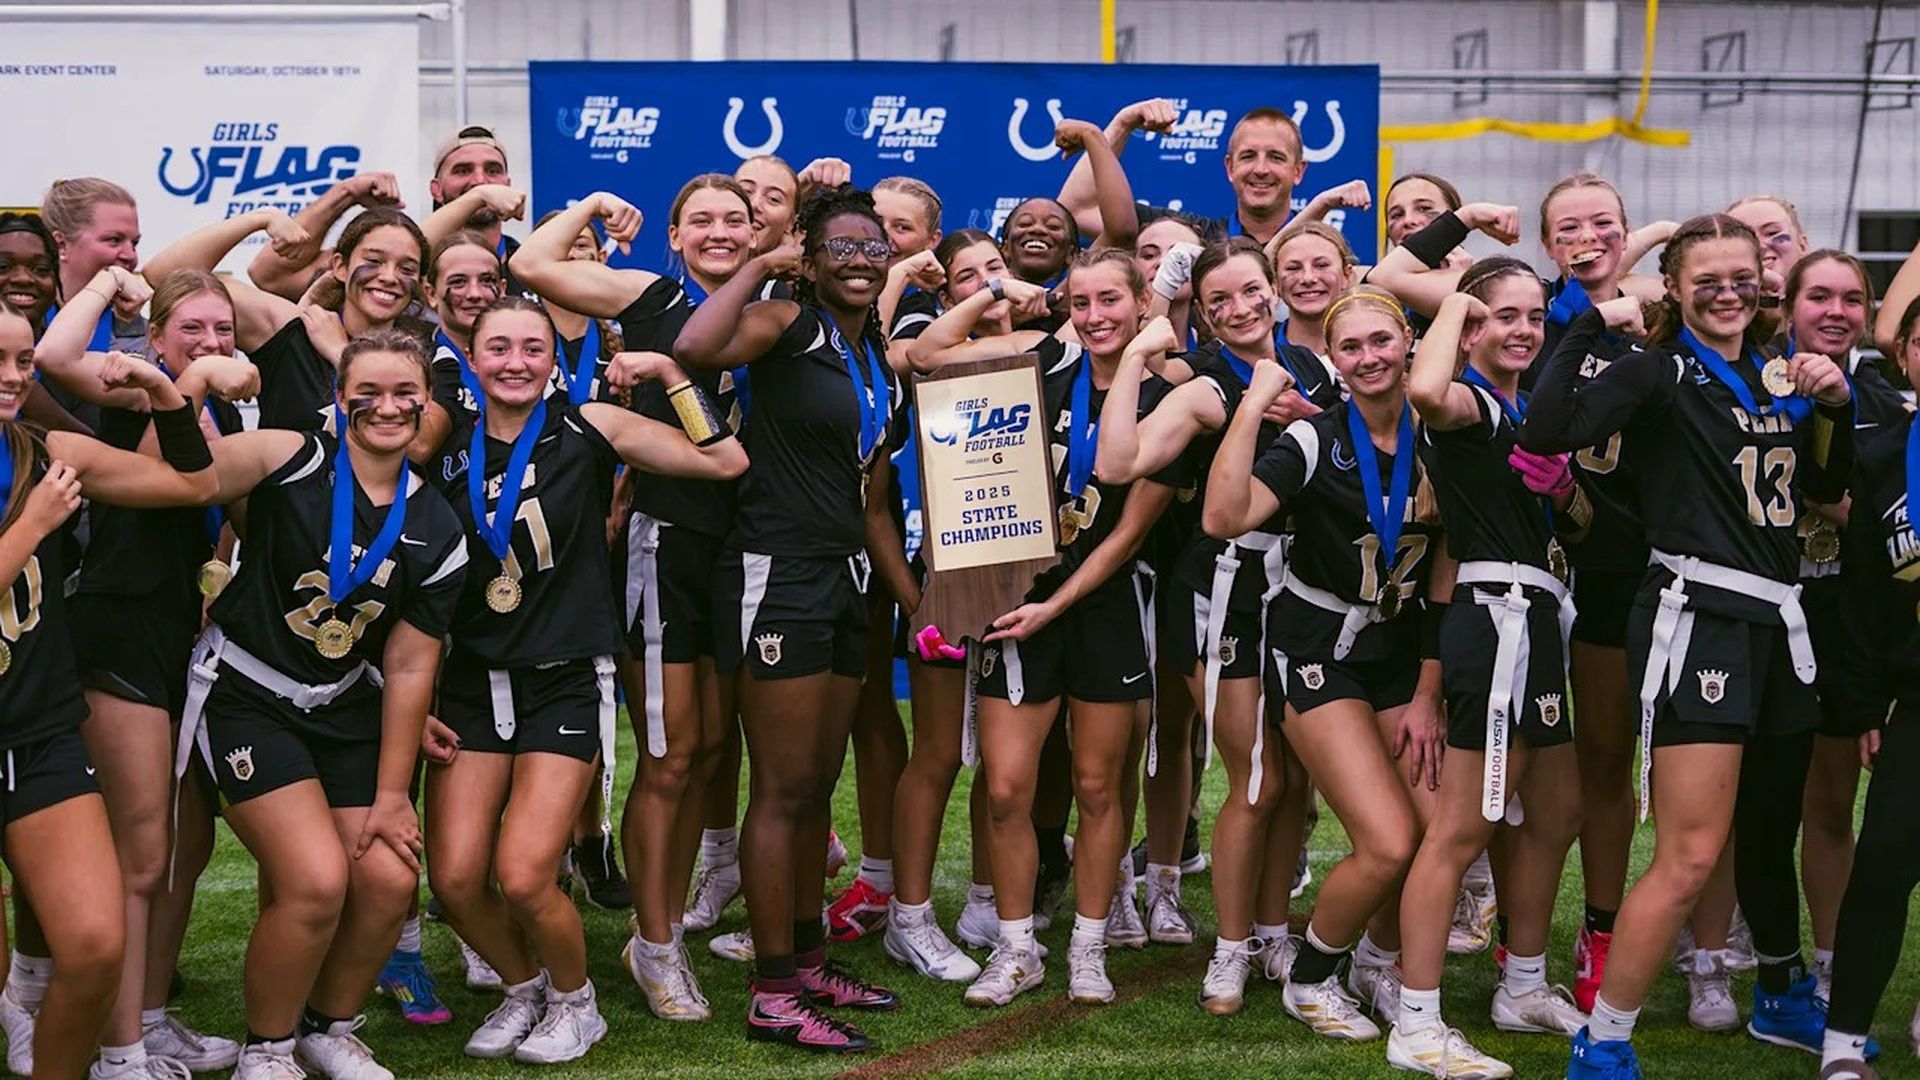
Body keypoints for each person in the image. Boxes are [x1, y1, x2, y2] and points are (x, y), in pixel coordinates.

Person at [1517, 214, 1855, 1078]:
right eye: (1707, 277)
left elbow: (1822, 488)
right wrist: (1587, 316)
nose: (1728, 290)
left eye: (1742, 274)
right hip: (1699, 615)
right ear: (1674, 286)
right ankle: (1604, 1041)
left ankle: (1779, 998)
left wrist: (1834, 406)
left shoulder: (1779, 372)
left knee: (1768, 827)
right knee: (1691, 852)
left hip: (1782, 624)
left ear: (1764, 280)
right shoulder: (1659, 370)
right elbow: (1546, 431)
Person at [424, 298, 745, 1064]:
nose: (514, 361)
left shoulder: (590, 423)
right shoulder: (447, 440)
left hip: (563, 676)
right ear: (470, 359)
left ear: (553, 359)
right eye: (497, 347)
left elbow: (725, 460)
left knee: (527, 873)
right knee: (458, 881)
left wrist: (670, 372)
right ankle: (523, 986)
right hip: (470, 680)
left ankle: (577, 1002)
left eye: (531, 348)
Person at [177, 330, 467, 1080]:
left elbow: (408, 667)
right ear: (339, 400)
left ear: (427, 405)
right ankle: (266, 1050)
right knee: (313, 881)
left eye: (407, 392)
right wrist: (192, 383)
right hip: (248, 691)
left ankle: (325, 1027)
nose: (388, 406)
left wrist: (393, 797)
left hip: (342, 706)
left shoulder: (437, 525)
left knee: (389, 878)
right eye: (367, 390)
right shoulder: (290, 458)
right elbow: (187, 476)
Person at [510, 176, 755, 1020]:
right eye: (703, 221)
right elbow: (533, 261)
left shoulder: (781, 306)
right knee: (673, 754)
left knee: (712, 751)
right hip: (674, 541)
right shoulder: (653, 294)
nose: (720, 232)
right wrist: (596, 202)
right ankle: (656, 946)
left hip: (750, 548)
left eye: (738, 218)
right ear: (677, 236)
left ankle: (665, 924)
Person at [911, 248, 1178, 1009]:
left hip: (1104, 603)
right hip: (1012, 595)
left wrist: (1054, 606)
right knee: (1005, 789)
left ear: (1140, 306)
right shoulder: (1037, 357)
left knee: (1097, 785)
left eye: (1111, 303)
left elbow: (1130, 531)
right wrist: (996, 289)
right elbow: (929, 355)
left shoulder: (1170, 391)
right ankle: (1017, 945)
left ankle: (1089, 946)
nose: (1096, 318)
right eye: (1082, 302)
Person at [675, 186, 904, 1052]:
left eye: (871, 247)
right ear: (810, 259)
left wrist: (923, 609)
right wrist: (764, 263)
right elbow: (697, 346)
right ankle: (774, 992)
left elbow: (875, 500)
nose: (858, 259)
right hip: (778, 574)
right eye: (839, 247)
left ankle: (806, 960)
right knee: (781, 787)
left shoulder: (871, 350)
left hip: (845, 581)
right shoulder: (782, 321)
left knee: (814, 787)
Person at [1094, 238, 1342, 1014]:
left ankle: (1273, 933)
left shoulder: (1315, 367)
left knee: (1295, 782)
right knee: (1256, 777)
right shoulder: (1202, 382)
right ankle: (1229, 952)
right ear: (1201, 313)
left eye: (1248, 292)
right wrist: (1137, 355)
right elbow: (1118, 464)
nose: (1238, 309)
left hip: (1302, 590)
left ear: (1273, 291)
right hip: (1223, 590)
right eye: (1219, 301)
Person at [1202, 285, 1443, 1042]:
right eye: (1352, 347)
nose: (1369, 357)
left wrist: (1432, 688)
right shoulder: (1314, 441)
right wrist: (1253, 404)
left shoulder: (1439, 431)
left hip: (1401, 652)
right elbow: (1223, 517)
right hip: (1317, 654)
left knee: (1443, 836)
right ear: (1333, 360)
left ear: (1408, 342)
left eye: (1381, 341)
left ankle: (1375, 957)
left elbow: (1449, 569)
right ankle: (1311, 979)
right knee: (1389, 841)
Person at [35, 267, 258, 1078]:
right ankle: (120, 1054)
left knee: (180, 849)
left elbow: (228, 511)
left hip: (181, 639)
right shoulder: (135, 391)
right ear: (157, 336)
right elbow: (57, 354)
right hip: (116, 634)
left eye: (223, 330)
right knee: (139, 854)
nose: (211, 343)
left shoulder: (229, 409)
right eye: (191, 329)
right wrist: (108, 292)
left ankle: (151, 1020)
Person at [1391, 258, 1593, 1077]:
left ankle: (1522, 983)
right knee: (1463, 827)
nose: (1522, 329)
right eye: (1501, 315)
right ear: (1469, 326)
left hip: (1536, 618)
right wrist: (1456, 304)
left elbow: (1568, 527)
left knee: (1558, 808)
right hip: (1497, 623)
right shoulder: (1468, 401)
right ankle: (1416, 1021)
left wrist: (1570, 489)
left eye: (1532, 317)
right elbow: (1425, 390)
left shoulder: (1518, 406)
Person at [1820, 293, 1920, 1080]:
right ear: (1904, 354)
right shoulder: (1885, 453)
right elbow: (1860, 596)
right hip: (1915, 701)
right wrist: (1864, 707)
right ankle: (1845, 1041)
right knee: (1886, 857)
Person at [140, 207, 430, 434]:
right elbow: (165, 275)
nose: (390, 277)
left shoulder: (426, 350)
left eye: (407, 268)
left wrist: (341, 353)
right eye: (374, 260)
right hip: (285, 510)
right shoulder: (292, 328)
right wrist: (260, 218)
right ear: (340, 267)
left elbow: (421, 445)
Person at [1058, 101, 1309, 246]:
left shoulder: (1321, 252)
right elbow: (1076, 211)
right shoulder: (1193, 237)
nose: (1261, 169)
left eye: (1276, 157)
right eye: (1248, 156)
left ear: (1298, 171)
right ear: (1230, 168)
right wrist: (1122, 124)